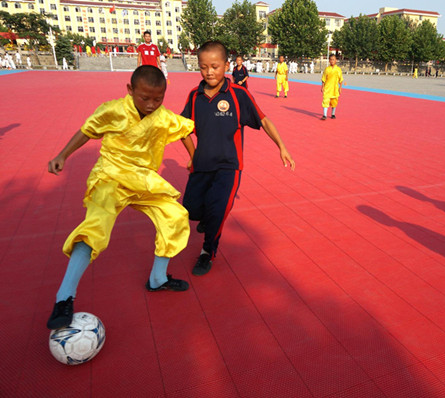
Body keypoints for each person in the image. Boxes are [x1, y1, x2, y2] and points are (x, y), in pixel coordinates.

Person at [46, 66, 195, 329]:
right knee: (95, 229)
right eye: (144, 98)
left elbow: (184, 131)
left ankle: (158, 279)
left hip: (144, 179)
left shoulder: (164, 117)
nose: (151, 104)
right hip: (111, 177)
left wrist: (194, 157)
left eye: (158, 99)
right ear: (130, 90)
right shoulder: (113, 110)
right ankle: (64, 298)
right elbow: (87, 131)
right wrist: (62, 155)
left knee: (175, 216)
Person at [180, 41, 295, 276]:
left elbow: (263, 120)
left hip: (229, 167)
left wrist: (281, 146)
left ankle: (207, 253)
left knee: (219, 211)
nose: (209, 72)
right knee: (190, 210)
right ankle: (207, 219)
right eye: (203, 67)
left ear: (226, 66)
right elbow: (182, 130)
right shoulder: (194, 96)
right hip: (201, 165)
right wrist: (193, 156)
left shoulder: (238, 95)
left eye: (214, 66)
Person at [321, 54, 344, 120]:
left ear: (336, 60)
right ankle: (324, 115)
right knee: (325, 101)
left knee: (334, 102)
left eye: (333, 59)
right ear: (329, 61)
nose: (332, 61)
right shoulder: (327, 69)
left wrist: (340, 88)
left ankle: (333, 114)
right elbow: (323, 79)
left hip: (335, 88)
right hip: (327, 88)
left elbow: (341, 80)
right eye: (330, 60)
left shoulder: (338, 69)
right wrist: (322, 87)